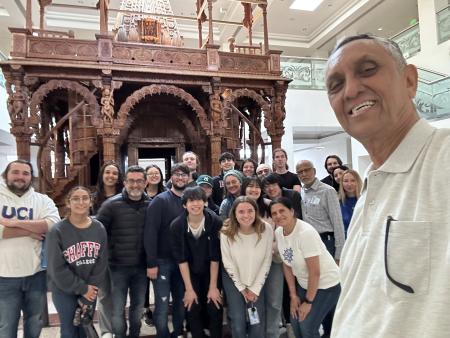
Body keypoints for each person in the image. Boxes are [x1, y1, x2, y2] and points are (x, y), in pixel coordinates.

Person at [325, 34, 450, 338]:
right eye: (336, 84)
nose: (352, 90)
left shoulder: (443, 159)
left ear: (409, 81)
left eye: (367, 69)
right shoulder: (370, 184)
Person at [0, 160, 60, 338]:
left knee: (35, 322)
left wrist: (14, 223)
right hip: (4, 276)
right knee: (6, 325)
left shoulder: (42, 200)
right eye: (16, 172)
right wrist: (29, 231)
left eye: (26, 173)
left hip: (35, 274)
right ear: (6, 175)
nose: (21, 177)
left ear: (31, 178)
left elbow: (52, 225)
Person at [270, 197, 340, 338]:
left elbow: (315, 272)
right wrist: (293, 295)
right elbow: (286, 264)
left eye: (282, 210)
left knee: (307, 326)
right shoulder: (279, 232)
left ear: (292, 211)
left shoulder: (305, 233)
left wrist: (308, 302)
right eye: (274, 213)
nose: (278, 215)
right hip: (304, 284)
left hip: (326, 285)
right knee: (295, 322)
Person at [47, 186, 108, 338]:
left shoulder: (99, 228)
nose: (80, 202)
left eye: (85, 198)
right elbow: (56, 269)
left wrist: (90, 289)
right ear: (68, 203)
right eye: (75, 198)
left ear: (91, 202)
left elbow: (101, 262)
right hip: (64, 290)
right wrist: (82, 288)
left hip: (90, 288)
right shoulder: (57, 231)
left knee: (85, 327)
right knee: (69, 331)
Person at [96, 166, 150, 338]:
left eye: (139, 181)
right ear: (125, 182)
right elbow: (98, 235)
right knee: (117, 309)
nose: (135, 185)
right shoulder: (110, 205)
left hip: (141, 268)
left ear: (145, 183)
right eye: (131, 181)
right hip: (117, 268)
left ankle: (134, 334)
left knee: (137, 307)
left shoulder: (151, 205)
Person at [170, 187, 223, 338]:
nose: (195, 204)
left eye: (199, 200)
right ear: (184, 205)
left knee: (214, 304)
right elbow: (181, 259)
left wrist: (213, 287)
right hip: (189, 271)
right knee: (192, 305)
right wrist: (189, 289)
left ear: (205, 202)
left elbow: (215, 257)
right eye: (191, 200)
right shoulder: (177, 225)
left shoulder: (215, 221)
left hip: (211, 270)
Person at [144, 163, 190, 338]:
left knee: (180, 302)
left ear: (189, 178)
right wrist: (151, 262)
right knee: (162, 304)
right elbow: (150, 233)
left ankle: (178, 333)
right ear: (171, 177)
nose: (180, 178)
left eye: (184, 175)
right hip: (162, 261)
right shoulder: (160, 200)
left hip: (183, 262)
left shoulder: (190, 200)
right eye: (177, 174)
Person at [220, 196, 273, 338]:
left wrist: (255, 288)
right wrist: (242, 288)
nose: (246, 215)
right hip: (234, 280)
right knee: (237, 319)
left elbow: (267, 261)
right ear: (234, 214)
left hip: (257, 279)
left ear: (256, 212)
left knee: (256, 319)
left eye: (250, 211)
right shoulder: (226, 230)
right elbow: (227, 262)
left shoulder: (266, 229)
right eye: (241, 211)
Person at [241, 177, 283, 338]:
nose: (254, 190)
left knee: (274, 301)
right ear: (244, 188)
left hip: (273, 261)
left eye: (257, 187)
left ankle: (272, 334)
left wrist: (269, 249)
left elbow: (280, 233)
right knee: (254, 303)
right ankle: (256, 334)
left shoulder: (269, 206)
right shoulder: (240, 206)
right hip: (250, 265)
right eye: (250, 187)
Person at [91, 161, 123, 338]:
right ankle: (105, 331)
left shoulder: (124, 197)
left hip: (120, 252)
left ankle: (118, 328)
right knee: (103, 294)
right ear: (102, 175)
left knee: (119, 294)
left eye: (115, 173)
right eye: (108, 173)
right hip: (99, 254)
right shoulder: (92, 198)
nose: (111, 176)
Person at [142, 164, 166, 326]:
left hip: (162, 243)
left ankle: (161, 309)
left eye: (156, 173)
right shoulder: (140, 195)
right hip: (142, 242)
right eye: (150, 173)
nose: (153, 176)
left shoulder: (166, 194)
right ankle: (145, 309)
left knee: (160, 281)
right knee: (144, 280)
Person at [338, 170, 362, 237]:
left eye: (353, 180)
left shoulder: (364, 200)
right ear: (341, 183)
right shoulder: (338, 202)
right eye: (345, 181)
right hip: (345, 239)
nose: (349, 184)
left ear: (358, 182)